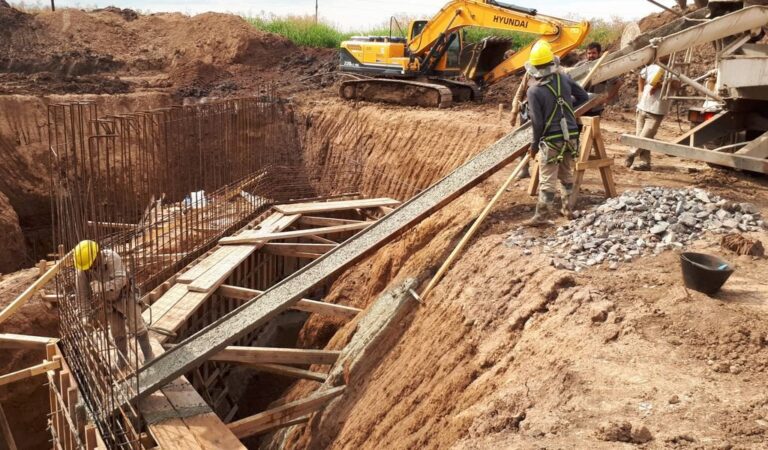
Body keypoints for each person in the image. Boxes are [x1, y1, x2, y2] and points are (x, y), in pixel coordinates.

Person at [524, 40, 589, 226]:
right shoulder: (564, 78)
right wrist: (566, 108)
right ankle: (567, 209)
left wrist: (534, 146)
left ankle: (542, 217)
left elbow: (537, 123)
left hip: (552, 140)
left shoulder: (534, 90)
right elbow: (584, 97)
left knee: (547, 179)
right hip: (572, 136)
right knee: (567, 174)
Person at [73, 240, 155, 368]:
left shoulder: (112, 258)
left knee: (136, 326)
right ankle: (123, 361)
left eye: (92, 263)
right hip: (109, 301)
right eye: (88, 266)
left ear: (98, 254)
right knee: (117, 332)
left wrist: (102, 287)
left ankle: (149, 356)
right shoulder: (83, 270)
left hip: (126, 295)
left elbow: (122, 280)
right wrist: (84, 316)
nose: (90, 268)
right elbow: (82, 295)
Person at [626, 58, 675, 171]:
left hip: (656, 110)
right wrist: (640, 92)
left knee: (644, 137)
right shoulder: (650, 67)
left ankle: (631, 153)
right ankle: (645, 162)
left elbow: (677, 85)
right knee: (642, 136)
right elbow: (641, 77)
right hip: (642, 106)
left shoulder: (673, 69)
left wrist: (662, 83)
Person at [576, 42, 623, 117]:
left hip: (595, 107)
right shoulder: (580, 66)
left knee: (592, 127)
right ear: (586, 54)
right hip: (579, 105)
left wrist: (607, 98)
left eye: (594, 53)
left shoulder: (603, 67)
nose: (591, 55)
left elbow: (618, 82)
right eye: (589, 53)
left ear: (599, 54)